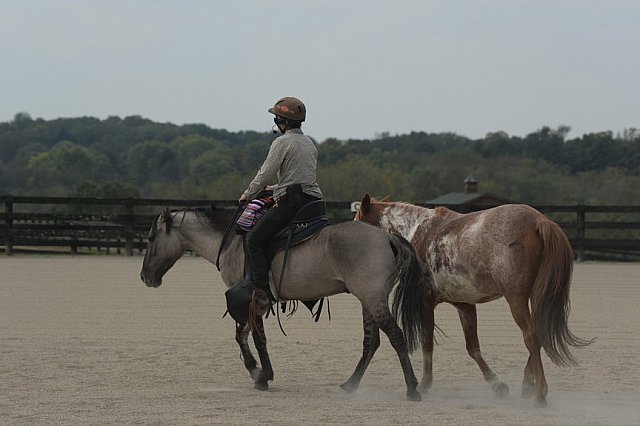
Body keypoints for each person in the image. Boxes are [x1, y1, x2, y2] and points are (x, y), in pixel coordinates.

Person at [239, 96, 323, 310]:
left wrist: (248, 194)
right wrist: (275, 189)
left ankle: (262, 292)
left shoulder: (281, 142)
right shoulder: (309, 143)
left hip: (291, 202)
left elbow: (265, 173)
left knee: (254, 239)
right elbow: (302, 179)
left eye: (277, 119)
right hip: (313, 200)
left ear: (282, 121)